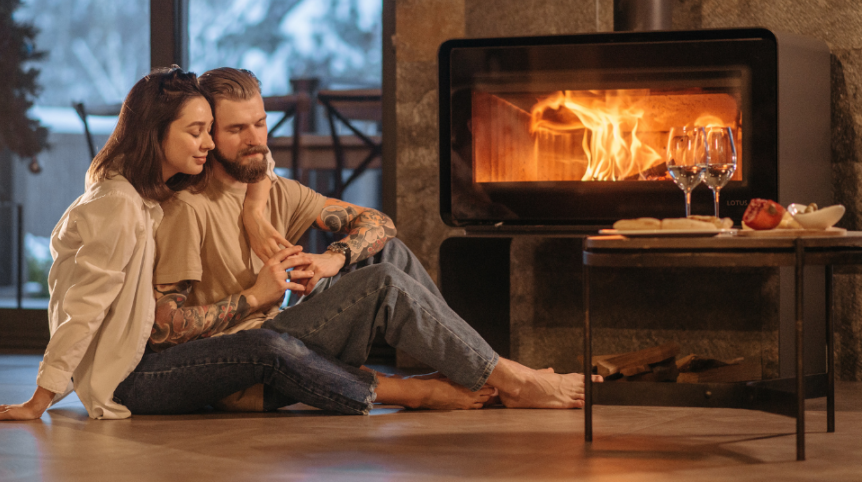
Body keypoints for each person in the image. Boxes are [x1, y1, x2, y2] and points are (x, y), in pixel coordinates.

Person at [0, 67, 477, 422]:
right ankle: (417, 389)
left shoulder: (152, 191)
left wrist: (263, 214)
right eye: (199, 132)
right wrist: (40, 399)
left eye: (214, 130)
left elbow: (255, 157)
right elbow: (86, 306)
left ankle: (480, 368)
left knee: (384, 257)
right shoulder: (127, 205)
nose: (211, 144)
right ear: (155, 134)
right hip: (131, 377)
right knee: (269, 342)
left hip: (190, 353)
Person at [149, 67, 601, 411]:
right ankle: (512, 381)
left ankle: (476, 372)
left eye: (261, 124)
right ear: (209, 134)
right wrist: (252, 297)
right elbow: (164, 330)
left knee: (390, 255)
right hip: (252, 367)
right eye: (237, 130)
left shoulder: (273, 189)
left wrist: (332, 259)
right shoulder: (188, 210)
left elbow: (380, 223)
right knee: (382, 282)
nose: (256, 140)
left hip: (285, 329)